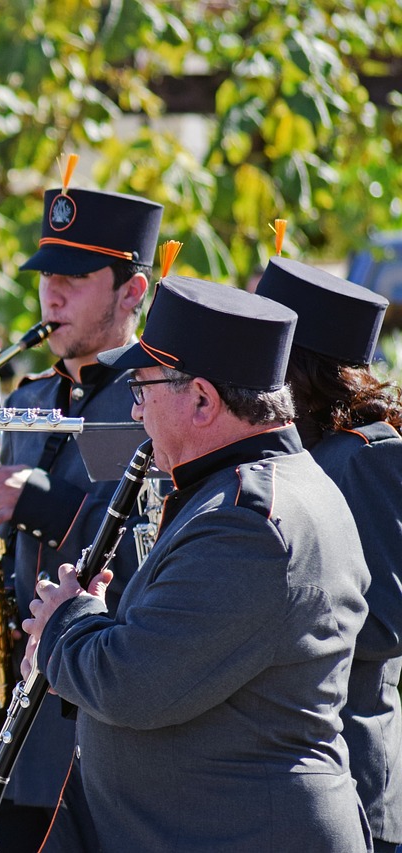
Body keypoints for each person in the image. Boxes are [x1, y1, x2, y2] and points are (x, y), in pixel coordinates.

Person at [23, 275, 371, 851]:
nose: (136, 412)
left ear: (204, 399)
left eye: (141, 389)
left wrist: (67, 621)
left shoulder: (247, 521)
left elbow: (132, 684)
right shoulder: (255, 491)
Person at [0, 183, 163, 849]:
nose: (52, 293)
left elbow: (152, 539)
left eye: (75, 277)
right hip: (14, 737)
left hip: (103, 733)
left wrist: (39, 503)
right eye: (48, 275)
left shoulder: (159, 400)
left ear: (133, 291)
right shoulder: (30, 395)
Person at [255, 258, 402, 853]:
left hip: (352, 776)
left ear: (302, 367)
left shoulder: (366, 455)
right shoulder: (306, 451)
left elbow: (386, 624)